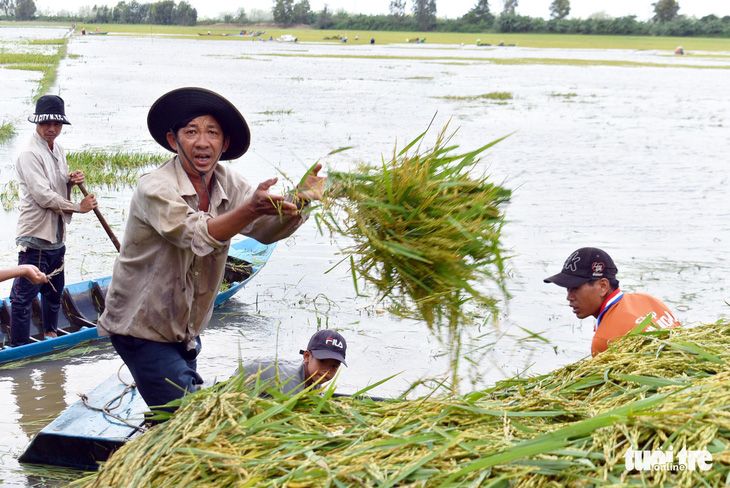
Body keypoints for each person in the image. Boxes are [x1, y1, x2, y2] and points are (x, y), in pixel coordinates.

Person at [97, 87, 326, 414]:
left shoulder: (228, 183)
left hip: (185, 329)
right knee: (189, 416)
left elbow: (265, 231)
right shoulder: (155, 187)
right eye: (191, 131)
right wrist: (251, 209)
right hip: (142, 327)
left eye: (212, 132)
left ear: (225, 143)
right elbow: (198, 236)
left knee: (178, 411)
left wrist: (299, 200)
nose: (202, 142)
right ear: (173, 141)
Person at [10, 95, 97, 346]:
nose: (52, 129)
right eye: (46, 123)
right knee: (22, 298)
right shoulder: (29, 153)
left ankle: (50, 333)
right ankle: (19, 345)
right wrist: (78, 208)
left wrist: (71, 180)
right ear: (37, 123)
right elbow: (43, 195)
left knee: (54, 291)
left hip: (56, 236)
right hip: (36, 234)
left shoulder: (57, 148)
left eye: (57, 125)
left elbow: (56, 185)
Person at [544, 247, 680, 356]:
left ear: (603, 286)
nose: (569, 297)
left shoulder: (604, 341)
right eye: (568, 289)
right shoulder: (649, 300)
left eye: (575, 288)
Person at [238, 330, 347, 395]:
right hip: (239, 384)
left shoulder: (313, 376)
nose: (327, 371)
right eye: (322, 361)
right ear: (307, 356)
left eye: (334, 366)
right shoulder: (290, 380)